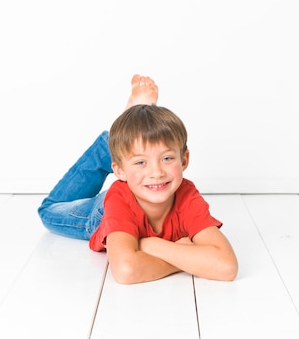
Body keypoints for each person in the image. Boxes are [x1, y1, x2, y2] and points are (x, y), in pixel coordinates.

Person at [38, 75, 237, 284]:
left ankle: (128, 141)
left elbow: (226, 267)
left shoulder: (186, 194)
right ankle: (115, 141)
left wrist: (151, 245)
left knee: (132, 155)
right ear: (120, 171)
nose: (157, 172)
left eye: (167, 158)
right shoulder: (120, 199)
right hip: (105, 211)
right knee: (49, 210)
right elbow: (126, 271)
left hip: (138, 189)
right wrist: (186, 256)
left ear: (184, 160)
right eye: (141, 162)